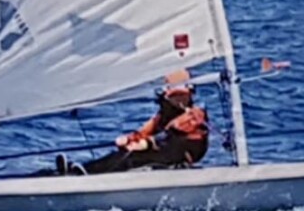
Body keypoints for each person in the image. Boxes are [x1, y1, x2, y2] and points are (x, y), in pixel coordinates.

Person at [58, 71, 210, 176]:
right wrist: (129, 139)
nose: (180, 100)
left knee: (131, 157)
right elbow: (144, 132)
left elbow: (170, 138)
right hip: (161, 156)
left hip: (177, 159)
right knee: (122, 153)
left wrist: (146, 144)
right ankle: (80, 170)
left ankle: (86, 174)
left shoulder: (194, 116)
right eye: (175, 96)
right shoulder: (163, 115)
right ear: (166, 95)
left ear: (190, 94)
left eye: (183, 95)